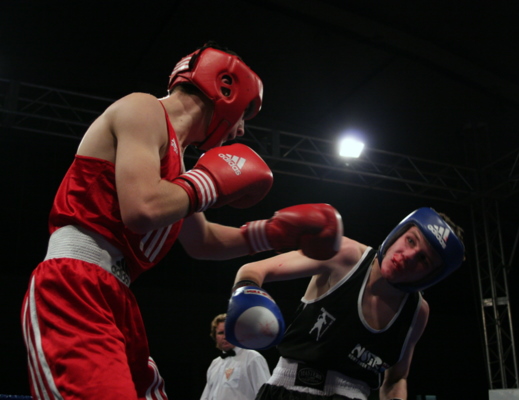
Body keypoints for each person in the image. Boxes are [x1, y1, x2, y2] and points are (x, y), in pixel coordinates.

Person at [20, 41, 343, 400]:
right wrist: (209, 182)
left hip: (117, 297)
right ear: (226, 88)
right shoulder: (143, 108)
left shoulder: (178, 169)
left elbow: (203, 241)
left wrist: (276, 232)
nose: (240, 130)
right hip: (74, 286)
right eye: (244, 116)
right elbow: (142, 209)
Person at [226, 207, 465, 400]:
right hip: (288, 389)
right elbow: (253, 270)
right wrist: (247, 296)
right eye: (410, 240)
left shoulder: (417, 312)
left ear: (431, 276)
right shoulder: (345, 255)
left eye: (423, 259)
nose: (408, 256)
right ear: (397, 234)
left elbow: (396, 379)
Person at [200, 313, 271, 400]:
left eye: (228, 332)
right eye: (221, 333)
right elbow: (206, 397)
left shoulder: (252, 358)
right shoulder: (215, 363)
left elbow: (265, 395)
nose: (225, 336)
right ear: (215, 337)